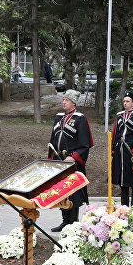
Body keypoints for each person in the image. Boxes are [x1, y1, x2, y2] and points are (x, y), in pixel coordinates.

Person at [48, 89, 93, 231]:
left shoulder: (80, 118)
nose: (63, 102)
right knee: (61, 192)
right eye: (63, 99)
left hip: (73, 162)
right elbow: (52, 139)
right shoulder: (59, 117)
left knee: (73, 193)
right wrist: (51, 158)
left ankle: (73, 224)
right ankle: (64, 221)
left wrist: (73, 157)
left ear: (73, 103)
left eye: (66, 100)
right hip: (59, 161)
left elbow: (85, 144)